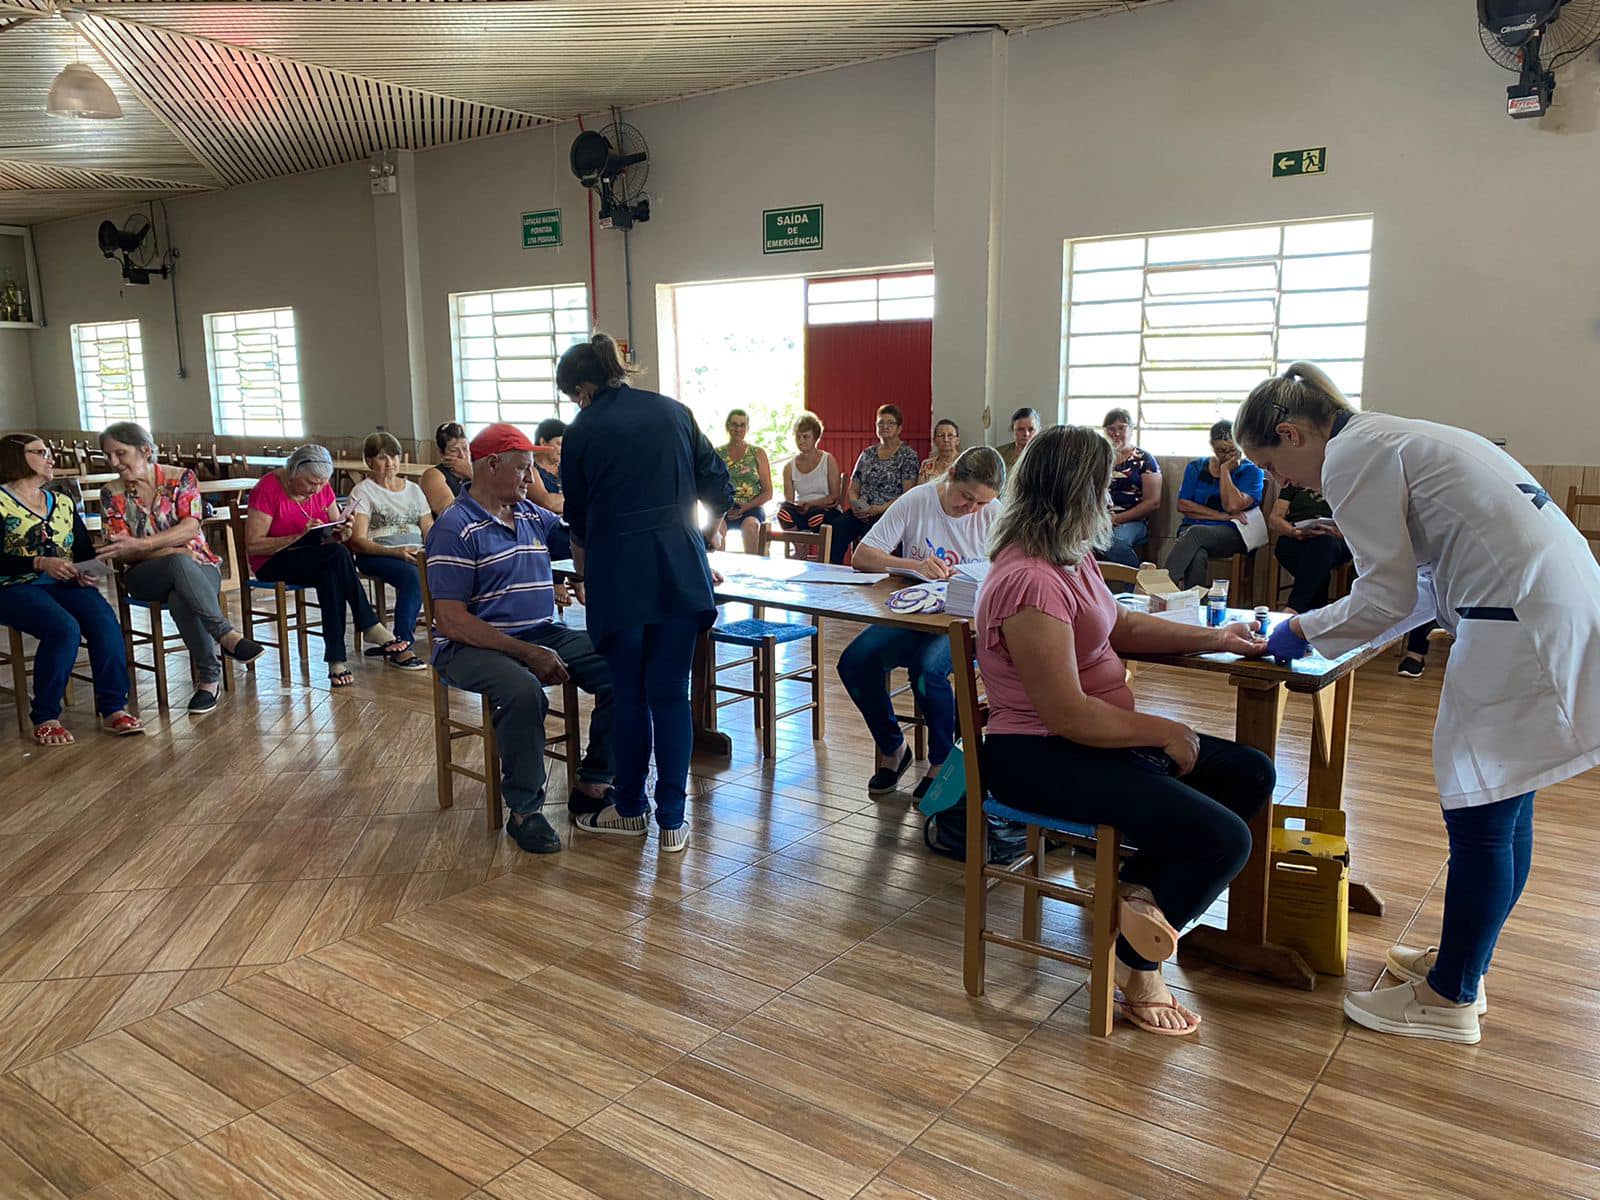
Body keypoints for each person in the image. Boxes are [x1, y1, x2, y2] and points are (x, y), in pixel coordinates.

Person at [1237, 362, 1600, 1045]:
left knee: (1481, 811)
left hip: (1518, 624)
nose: (1283, 484)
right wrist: (1329, 637)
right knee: (1505, 799)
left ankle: (1448, 997)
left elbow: (1386, 594)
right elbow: (1420, 588)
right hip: (1548, 609)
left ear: (1291, 434)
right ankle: (1465, 964)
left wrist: (1297, 630)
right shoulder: (1393, 436)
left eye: (1272, 466)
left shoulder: (1352, 457)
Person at [977, 424, 1272, 1035]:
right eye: (1103, 484)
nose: (1111, 496)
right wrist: (1160, 730)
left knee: (1250, 773)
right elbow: (1066, 714)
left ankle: (1137, 899)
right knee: (1225, 839)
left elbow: (1123, 628)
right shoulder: (1029, 580)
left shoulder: (1070, 555)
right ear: (1075, 492)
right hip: (1039, 755)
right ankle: (1137, 966)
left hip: (1086, 741)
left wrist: (1218, 637)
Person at [558, 333, 732, 852]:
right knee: (671, 694)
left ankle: (631, 808)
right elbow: (719, 487)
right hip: (680, 572)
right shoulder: (674, 411)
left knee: (630, 696)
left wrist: (585, 577)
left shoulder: (582, 429)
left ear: (583, 389)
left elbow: (577, 522)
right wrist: (701, 537)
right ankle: (674, 821)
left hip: (618, 577)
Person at [426, 423, 617, 855]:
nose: (532, 479)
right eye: (524, 468)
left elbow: (577, 537)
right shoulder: (455, 527)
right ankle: (525, 811)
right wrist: (527, 653)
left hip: (539, 631)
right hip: (469, 645)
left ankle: (594, 782)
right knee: (522, 689)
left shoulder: (530, 514)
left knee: (622, 664)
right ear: (492, 465)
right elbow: (451, 620)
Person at [840, 446, 1005, 798]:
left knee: (927, 669)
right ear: (952, 475)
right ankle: (893, 748)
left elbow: (1011, 569)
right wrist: (915, 565)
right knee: (854, 662)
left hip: (966, 619)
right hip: (916, 612)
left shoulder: (993, 513)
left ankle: (942, 761)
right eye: (967, 497)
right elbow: (862, 556)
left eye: (981, 503)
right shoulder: (918, 499)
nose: (972, 509)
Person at [94, 421, 264, 715]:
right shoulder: (111, 493)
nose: (113, 462)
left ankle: (209, 680)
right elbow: (122, 550)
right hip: (144, 574)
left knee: (180, 595)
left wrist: (146, 544)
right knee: (178, 561)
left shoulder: (182, 478)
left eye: (120, 453)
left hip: (199, 564)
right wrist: (171, 549)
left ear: (145, 450)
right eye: (108, 455)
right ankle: (225, 635)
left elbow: (190, 527)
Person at [0, 433, 143, 743]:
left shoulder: (62, 502)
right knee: (64, 629)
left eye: (49, 451)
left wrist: (86, 572)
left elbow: (81, 552)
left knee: (105, 623)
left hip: (65, 583)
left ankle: (113, 707)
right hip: (13, 587)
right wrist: (39, 562)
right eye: (40, 452)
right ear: (16, 457)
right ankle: (46, 715)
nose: (50, 458)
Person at [246, 444, 404, 687]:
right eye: (310, 483)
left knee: (332, 567)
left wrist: (344, 529)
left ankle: (336, 660)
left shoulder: (321, 487)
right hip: (272, 561)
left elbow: (337, 535)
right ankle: (368, 625)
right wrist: (299, 536)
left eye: (322, 483)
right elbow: (254, 545)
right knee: (334, 558)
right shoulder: (267, 489)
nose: (317, 489)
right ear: (293, 472)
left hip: (316, 560)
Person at [348, 432, 429, 669]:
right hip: (378, 554)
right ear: (369, 461)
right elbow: (357, 540)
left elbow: (428, 527)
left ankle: (452, 636)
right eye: (382, 458)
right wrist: (396, 552)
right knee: (413, 577)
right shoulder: (363, 491)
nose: (390, 463)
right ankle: (402, 646)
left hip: (415, 552)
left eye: (393, 457)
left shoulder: (414, 489)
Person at [1164, 419, 1264, 590]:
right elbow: (1183, 505)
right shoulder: (1196, 467)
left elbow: (1232, 506)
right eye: (1221, 451)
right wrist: (1220, 516)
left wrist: (1225, 471)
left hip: (1233, 533)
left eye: (1233, 450)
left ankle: (1161, 588)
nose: (1227, 455)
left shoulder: (1251, 471)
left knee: (1195, 533)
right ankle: (1193, 602)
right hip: (1193, 530)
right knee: (1197, 554)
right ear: (1211, 446)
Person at [834, 404, 921, 560]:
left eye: (890, 423)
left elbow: (907, 494)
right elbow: (853, 488)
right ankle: (832, 571)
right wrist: (857, 506)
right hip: (862, 510)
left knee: (871, 532)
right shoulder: (867, 453)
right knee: (838, 527)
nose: (885, 427)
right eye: (881, 423)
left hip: (888, 512)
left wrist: (878, 509)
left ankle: (868, 572)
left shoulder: (908, 455)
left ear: (899, 428)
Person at [1269, 483, 1352, 614]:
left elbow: (1359, 522)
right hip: (1297, 536)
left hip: (1335, 539)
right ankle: (1313, 615)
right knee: (1317, 563)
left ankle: (1294, 608)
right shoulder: (1294, 481)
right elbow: (1274, 519)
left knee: (1323, 545)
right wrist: (1294, 532)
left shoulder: (1345, 482)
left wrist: (1339, 531)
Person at [1101, 408, 1162, 568]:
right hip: (1099, 520)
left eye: (1121, 428)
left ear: (1131, 429)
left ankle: (1136, 581)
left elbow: (1153, 502)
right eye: (1111, 429)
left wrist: (1116, 519)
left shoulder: (1144, 459)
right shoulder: (1099, 458)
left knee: (1116, 543)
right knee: (1077, 542)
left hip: (1133, 521)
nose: (1116, 433)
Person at [776, 412, 843, 547]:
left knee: (815, 518)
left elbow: (834, 496)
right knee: (783, 513)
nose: (801, 441)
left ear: (815, 438)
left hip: (824, 510)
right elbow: (789, 501)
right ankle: (799, 547)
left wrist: (811, 504)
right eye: (798, 436)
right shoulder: (789, 467)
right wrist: (799, 506)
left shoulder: (828, 460)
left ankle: (823, 553)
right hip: (802, 511)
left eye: (805, 437)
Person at [715, 409, 772, 556]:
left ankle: (753, 568)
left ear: (747, 428)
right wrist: (723, 506)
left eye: (742, 425)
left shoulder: (757, 453)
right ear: (728, 426)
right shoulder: (717, 454)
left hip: (751, 507)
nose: (738, 429)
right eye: (734, 424)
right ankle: (718, 568)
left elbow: (768, 492)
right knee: (716, 530)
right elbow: (711, 487)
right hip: (724, 507)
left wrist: (744, 508)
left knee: (751, 527)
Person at [420, 421, 473, 516]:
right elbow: (451, 514)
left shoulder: (476, 472)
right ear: (442, 453)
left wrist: (471, 474)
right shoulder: (433, 475)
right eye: (454, 450)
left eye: (465, 448)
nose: (462, 455)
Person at [530, 417, 566, 514]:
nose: (564, 449)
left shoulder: (566, 465)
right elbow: (548, 503)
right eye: (559, 444)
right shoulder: (528, 468)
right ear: (543, 442)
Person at [919, 418, 961, 484]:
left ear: (957, 440)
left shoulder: (965, 463)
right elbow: (921, 489)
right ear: (934, 440)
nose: (946, 439)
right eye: (941, 435)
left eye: (950, 435)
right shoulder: (927, 465)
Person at [997, 407, 1040, 472]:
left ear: (1038, 430)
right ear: (1012, 430)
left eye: (1031, 429)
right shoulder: (999, 456)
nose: (1026, 434)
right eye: (1020, 429)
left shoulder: (1046, 456)